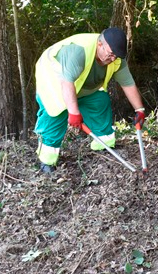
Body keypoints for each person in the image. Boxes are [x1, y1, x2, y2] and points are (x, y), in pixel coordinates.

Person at [34, 27, 146, 173]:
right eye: (111, 54)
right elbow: (67, 83)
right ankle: (46, 162)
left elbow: (127, 83)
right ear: (100, 44)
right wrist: (74, 113)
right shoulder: (79, 51)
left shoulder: (116, 57)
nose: (113, 59)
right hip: (54, 81)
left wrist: (140, 110)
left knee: (99, 101)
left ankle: (103, 146)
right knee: (55, 114)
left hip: (82, 85)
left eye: (116, 56)